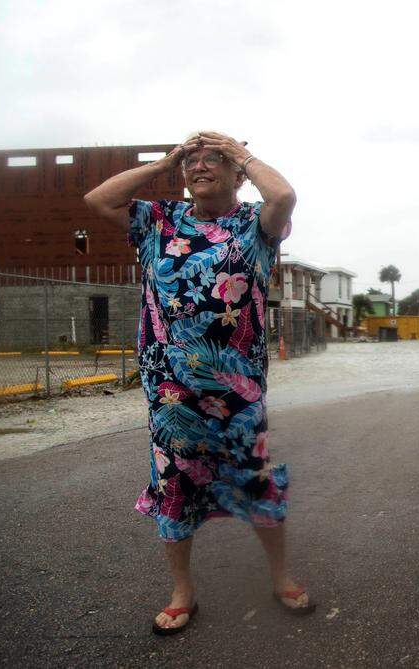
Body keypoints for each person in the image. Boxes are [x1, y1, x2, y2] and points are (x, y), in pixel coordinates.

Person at [84, 131, 315, 634]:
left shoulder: (256, 223)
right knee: (175, 486)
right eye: (193, 162)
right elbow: (98, 198)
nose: (200, 166)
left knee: (254, 481)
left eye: (215, 161)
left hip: (238, 391)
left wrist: (240, 151)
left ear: (237, 173)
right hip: (170, 390)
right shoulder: (158, 220)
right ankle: (182, 590)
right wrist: (168, 159)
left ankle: (280, 578)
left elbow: (283, 196)